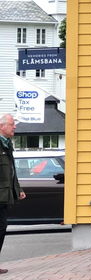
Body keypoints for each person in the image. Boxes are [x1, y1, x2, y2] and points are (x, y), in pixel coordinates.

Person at [0, 114, 25, 274]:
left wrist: (19, 189)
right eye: (11, 124)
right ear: (1, 126)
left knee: (2, 227)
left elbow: (11, 172)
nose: (14, 127)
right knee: (1, 227)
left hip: (4, 196)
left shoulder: (7, 145)